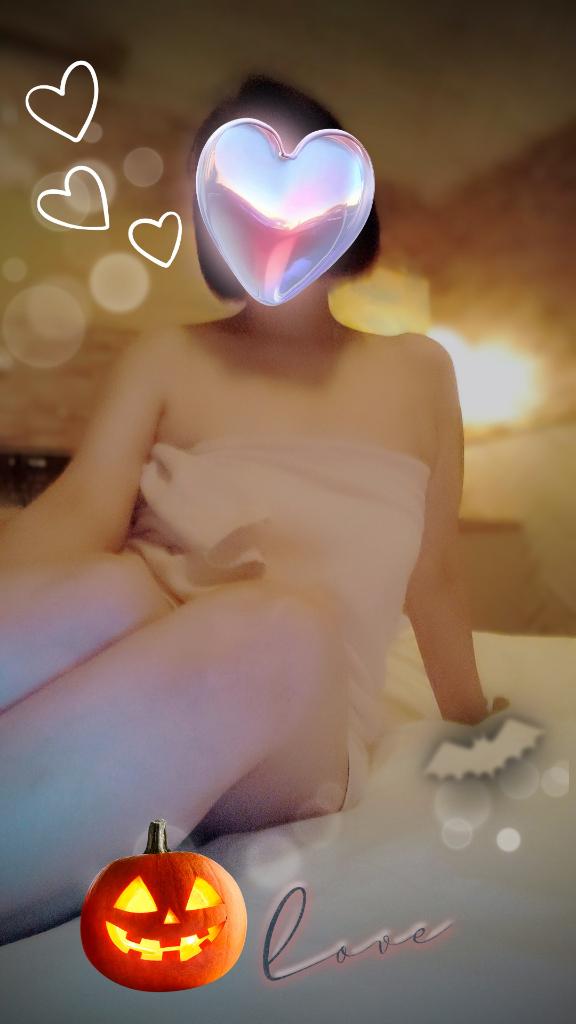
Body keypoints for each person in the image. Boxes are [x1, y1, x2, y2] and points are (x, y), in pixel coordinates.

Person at [0, 72, 508, 944]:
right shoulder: (167, 355)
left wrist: (473, 721)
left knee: (279, 625)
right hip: (151, 627)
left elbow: (435, 574)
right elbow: (82, 507)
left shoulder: (421, 371)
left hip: (297, 712)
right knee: (106, 590)